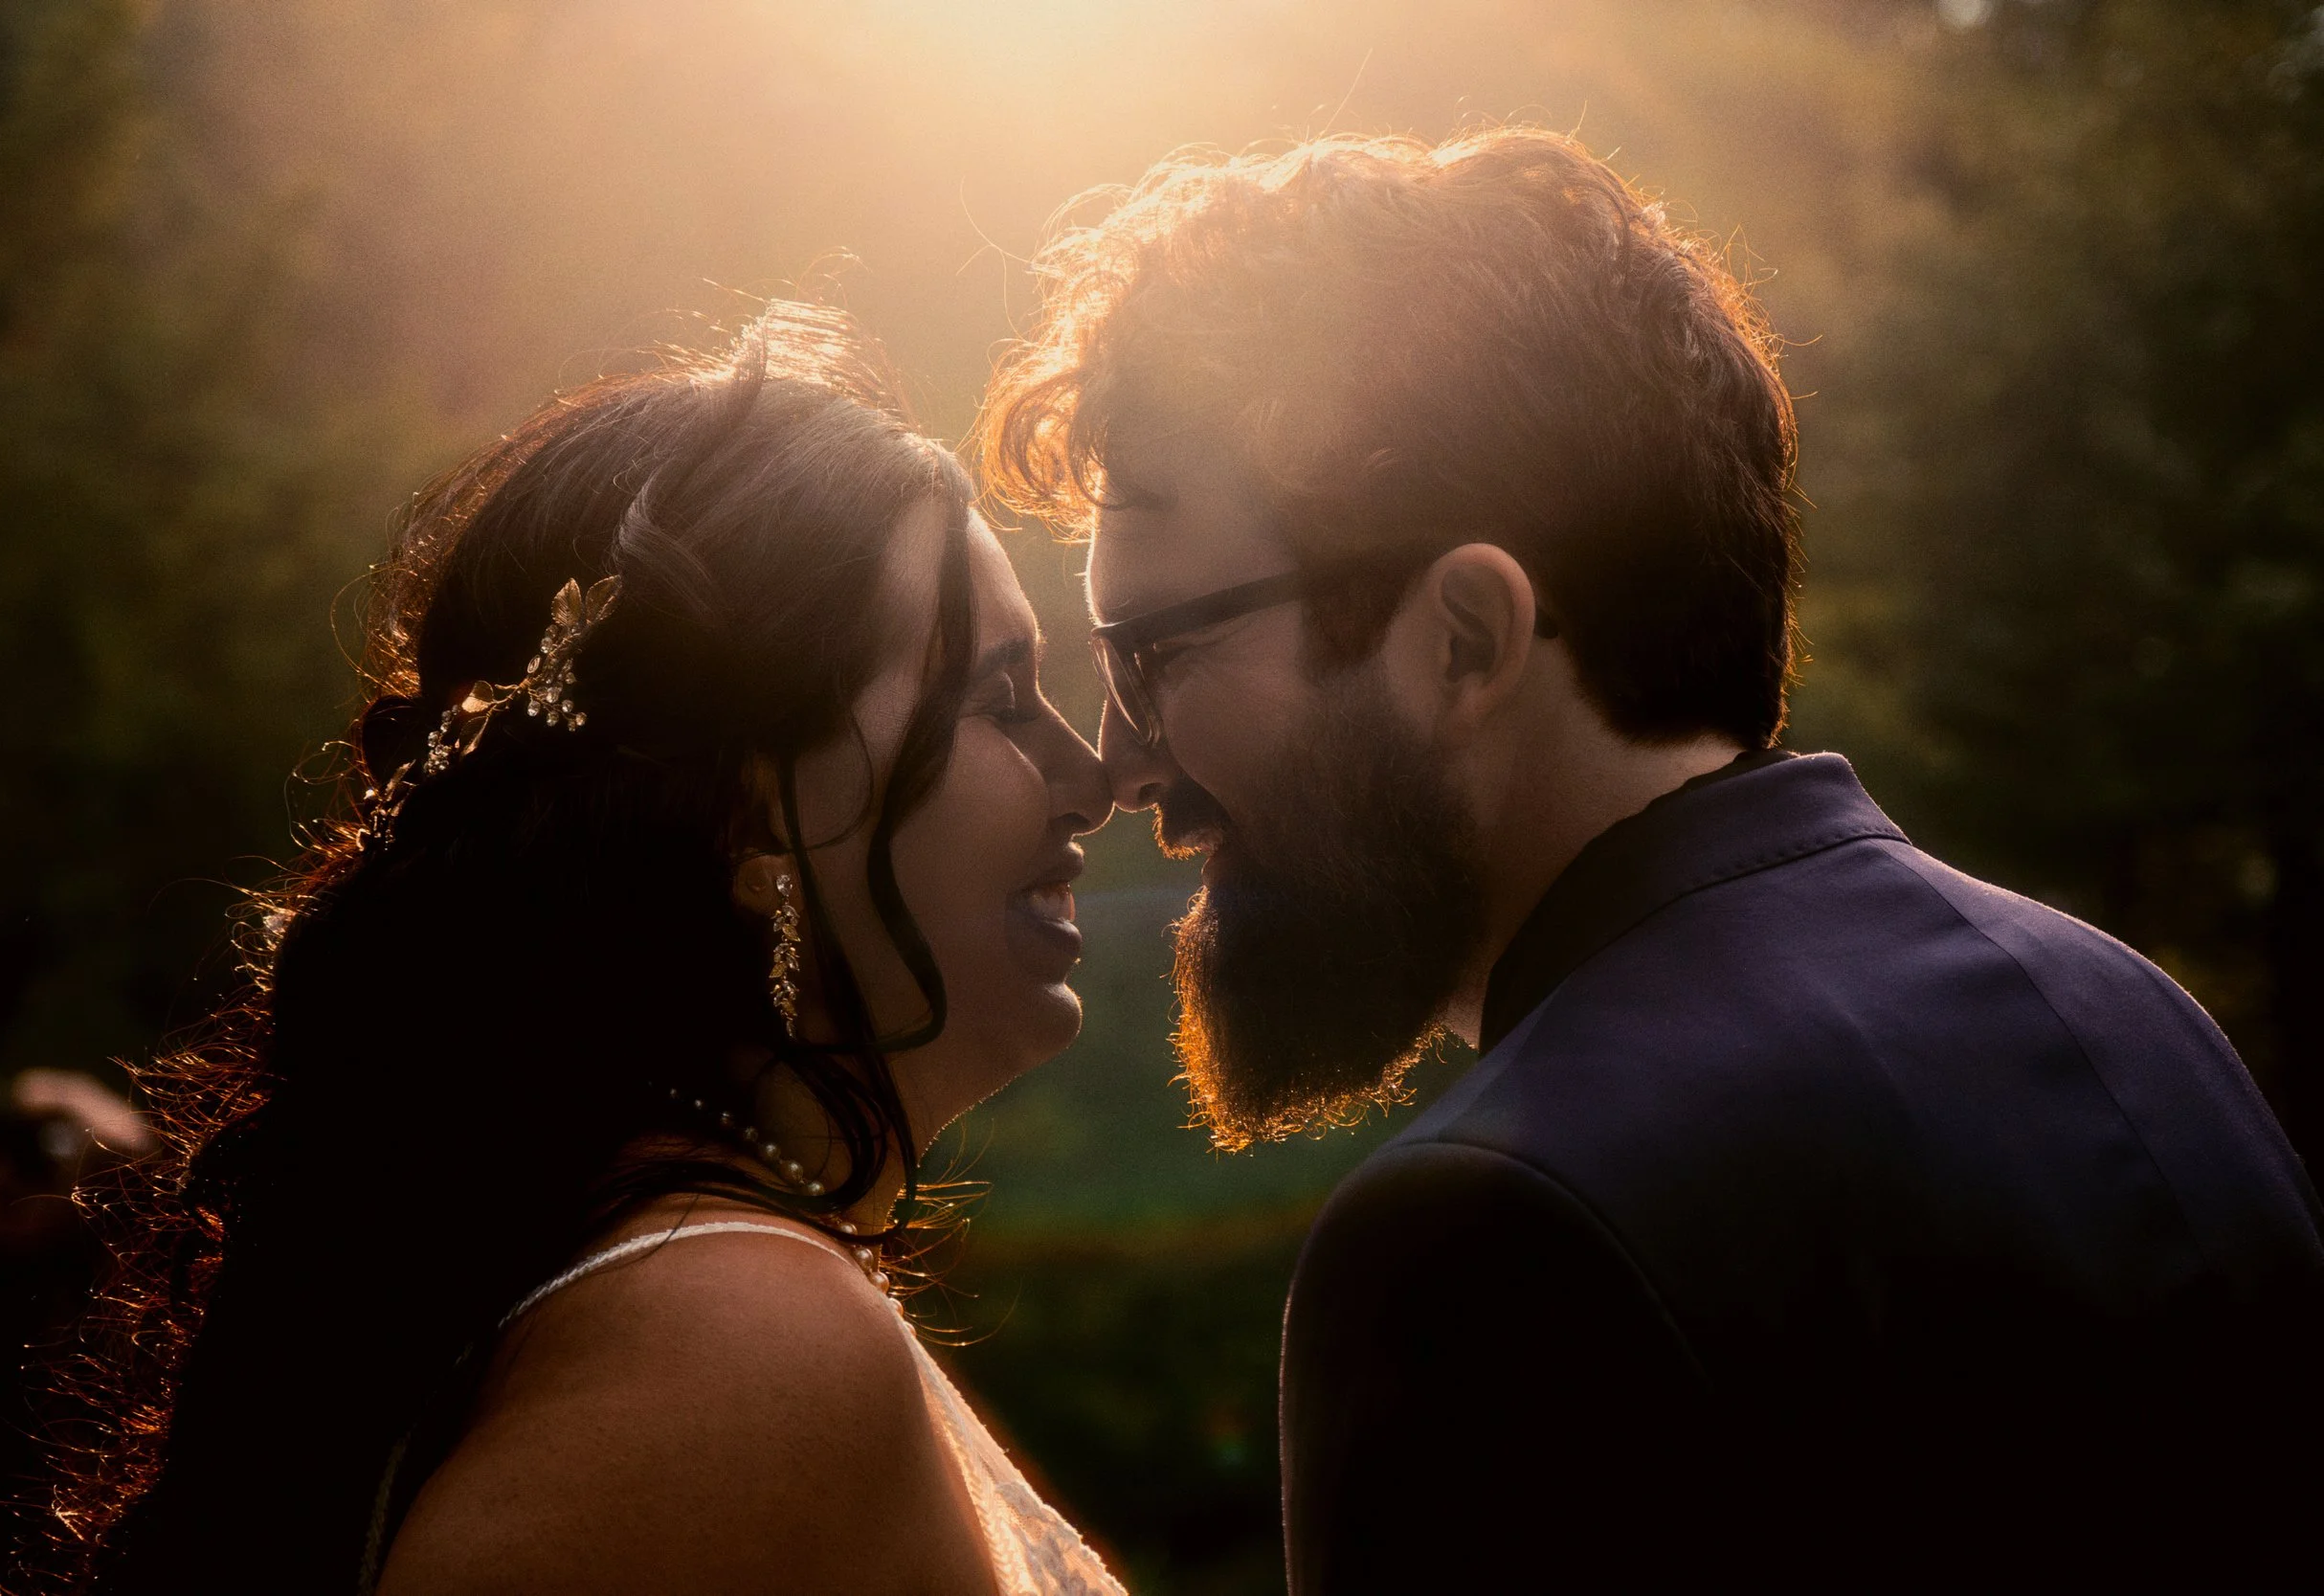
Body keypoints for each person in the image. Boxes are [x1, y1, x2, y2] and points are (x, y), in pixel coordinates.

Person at [980, 127, 2324, 1583]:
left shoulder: (1482, 1238)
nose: (1121, 763)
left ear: (1465, 640)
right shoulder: (2129, 1018)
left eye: (1160, 651)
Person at [32, 303, 1125, 1596]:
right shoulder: (735, 1340)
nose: (1089, 775)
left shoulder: (677, 1286)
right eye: (998, 697)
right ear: (748, 810)